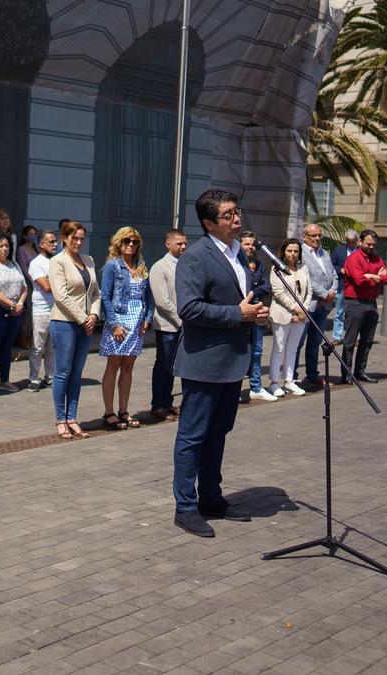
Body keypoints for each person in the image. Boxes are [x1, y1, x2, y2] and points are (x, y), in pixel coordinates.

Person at [171, 190, 268, 538]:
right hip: (203, 362)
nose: (236, 219)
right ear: (209, 223)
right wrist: (236, 314)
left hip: (232, 361)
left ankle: (211, 498)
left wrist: (253, 316)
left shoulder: (238, 254)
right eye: (228, 215)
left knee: (218, 434)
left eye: (236, 212)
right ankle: (185, 507)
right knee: (193, 437)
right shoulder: (196, 257)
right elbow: (189, 309)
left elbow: (240, 301)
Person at [48, 221, 99, 440]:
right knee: (63, 372)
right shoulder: (57, 261)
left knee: (77, 374)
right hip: (64, 323)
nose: (78, 242)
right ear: (64, 238)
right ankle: (61, 419)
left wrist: (94, 316)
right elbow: (61, 296)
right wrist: (82, 319)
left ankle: (72, 418)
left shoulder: (88, 260)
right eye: (74, 238)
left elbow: (96, 292)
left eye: (81, 238)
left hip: (85, 324)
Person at [98, 227, 154, 429]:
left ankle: (124, 411)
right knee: (113, 366)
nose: (131, 245)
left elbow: (148, 295)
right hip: (119, 322)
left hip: (137, 322)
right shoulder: (113, 266)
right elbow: (105, 296)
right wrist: (113, 325)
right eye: (127, 241)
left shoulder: (141, 266)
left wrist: (148, 318)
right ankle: (109, 412)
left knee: (128, 367)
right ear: (119, 243)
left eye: (135, 242)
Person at [340, 229, 387, 384]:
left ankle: (360, 371)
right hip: (355, 302)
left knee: (367, 341)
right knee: (350, 341)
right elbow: (358, 280)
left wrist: (372, 276)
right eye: (368, 244)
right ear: (360, 242)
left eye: (373, 244)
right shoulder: (353, 259)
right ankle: (346, 374)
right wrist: (377, 277)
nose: (371, 247)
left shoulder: (377, 258)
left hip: (371, 303)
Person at [0, 232, 27, 393]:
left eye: (7, 245)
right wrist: (12, 305)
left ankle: (5, 380)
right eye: (1, 245)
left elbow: (24, 287)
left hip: (16, 312)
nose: (4, 249)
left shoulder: (14, 264)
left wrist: (20, 303)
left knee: (7, 347)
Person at [148, 228, 186, 419]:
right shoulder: (159, 267)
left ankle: (167, 401)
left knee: (173, 367)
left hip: (182, 325)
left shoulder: (184, 265)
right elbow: (162, 301)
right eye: (179, 243)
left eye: (184, 243)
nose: (183, 246)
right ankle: (158, 405)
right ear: (168, 244)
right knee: (163, 365)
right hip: (167, 326)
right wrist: (181, 320)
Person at [267, 238, 311, 397]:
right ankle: (274, 382)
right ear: (283, 252)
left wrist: (303, 310)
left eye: (296, 251)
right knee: (279, 348)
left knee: (292, 349)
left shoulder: (303, 267)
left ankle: (289, 381)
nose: (293, 254)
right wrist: (295, 310)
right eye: (289, 251)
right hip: (282, 313)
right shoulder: (276, 269)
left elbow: (309, 291)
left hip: (301, 315)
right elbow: (278, 294)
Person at [296, 223, 338, 386]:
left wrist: (331, 292)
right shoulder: (300, 253)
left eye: (320, 235)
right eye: (314, 236)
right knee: (298, 342)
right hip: (309, 305)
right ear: (304, 236)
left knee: (315, 342)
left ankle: (312, 374)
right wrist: (325, 294)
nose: (317, 238)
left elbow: (333, 274)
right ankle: (291, 377)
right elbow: (306, 279)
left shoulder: (323, 253)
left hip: (323, 306)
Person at [240, 232, 275, 403]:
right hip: (240, 313)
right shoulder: (236, 263)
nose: (250, 247)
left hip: (256, 311)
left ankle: (256, 387)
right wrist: (253, 290)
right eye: (246, 244)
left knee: (257, 351)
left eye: (252, 244)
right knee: (240, 352)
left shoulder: (260, 265)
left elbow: (266, 286)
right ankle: (235, 389)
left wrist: (254, 291)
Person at [26, 229, 59, 392]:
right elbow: (46, 287)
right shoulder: (36, 263)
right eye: (51, 242)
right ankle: (33, 378)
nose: (55, 244)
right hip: (41, 310)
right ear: (41, 244)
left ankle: (50, 376)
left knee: (52, 347)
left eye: (55, 241)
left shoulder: (58, 261)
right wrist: (61, 283)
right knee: (38, 347)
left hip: (57, 311)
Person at [330, 229, 359, 343]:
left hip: (357, 288)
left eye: (353, 242)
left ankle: (355, 337)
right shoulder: (338, 251)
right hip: (342, 286)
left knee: (355, 314)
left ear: (357, 241)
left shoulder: (361, 251)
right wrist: (340, 269)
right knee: (339, 312)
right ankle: (337, 337)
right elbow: (331, 266)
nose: (351, 244)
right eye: (349, 242)